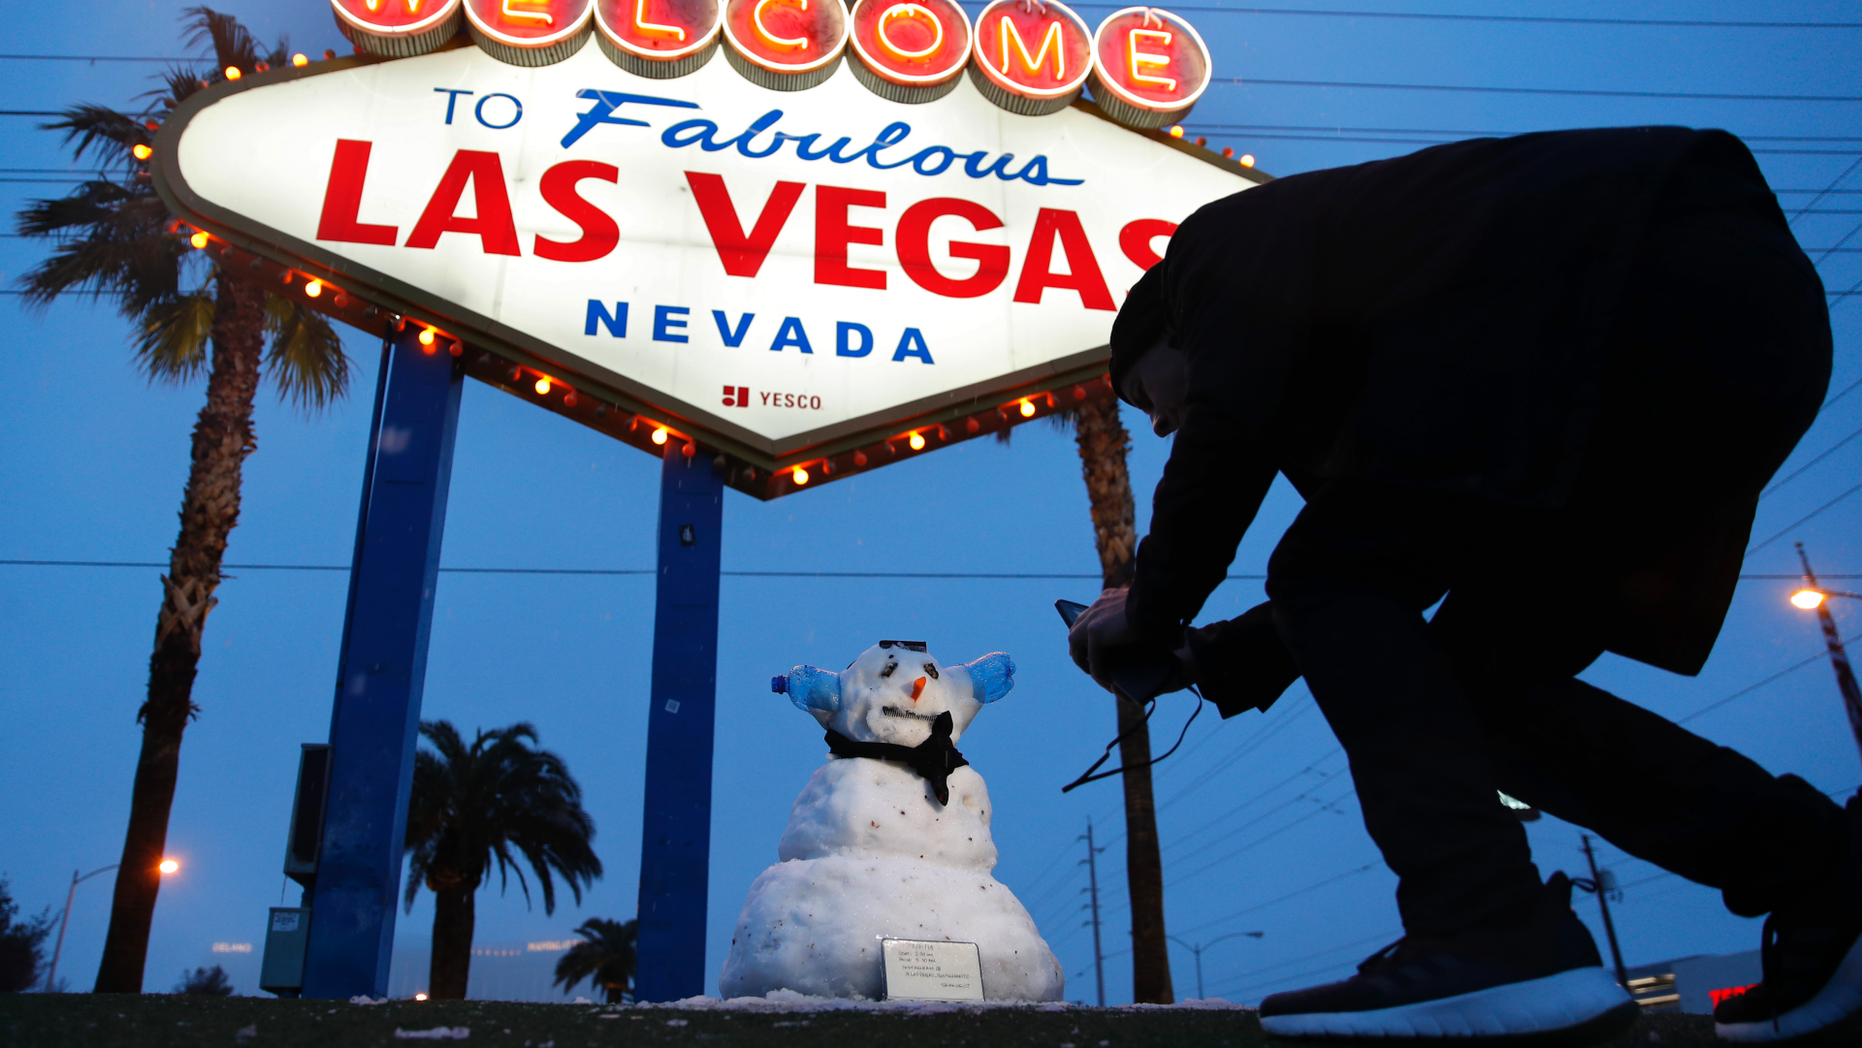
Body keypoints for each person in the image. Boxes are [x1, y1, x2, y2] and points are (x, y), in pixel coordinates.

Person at [1067, 126, 1853, 1043]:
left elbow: (1233, 434)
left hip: (1633, 286)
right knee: (1475, 680)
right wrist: (1215, 651)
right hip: (1732, 341)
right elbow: (1395, 571)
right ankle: (1827, 881)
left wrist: (1152, 606)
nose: (1159, 424)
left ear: (1162, 333)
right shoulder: (1406, 345)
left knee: (1327, 565)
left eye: (1147, 397)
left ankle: (1487, 929)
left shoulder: (1215, 247)